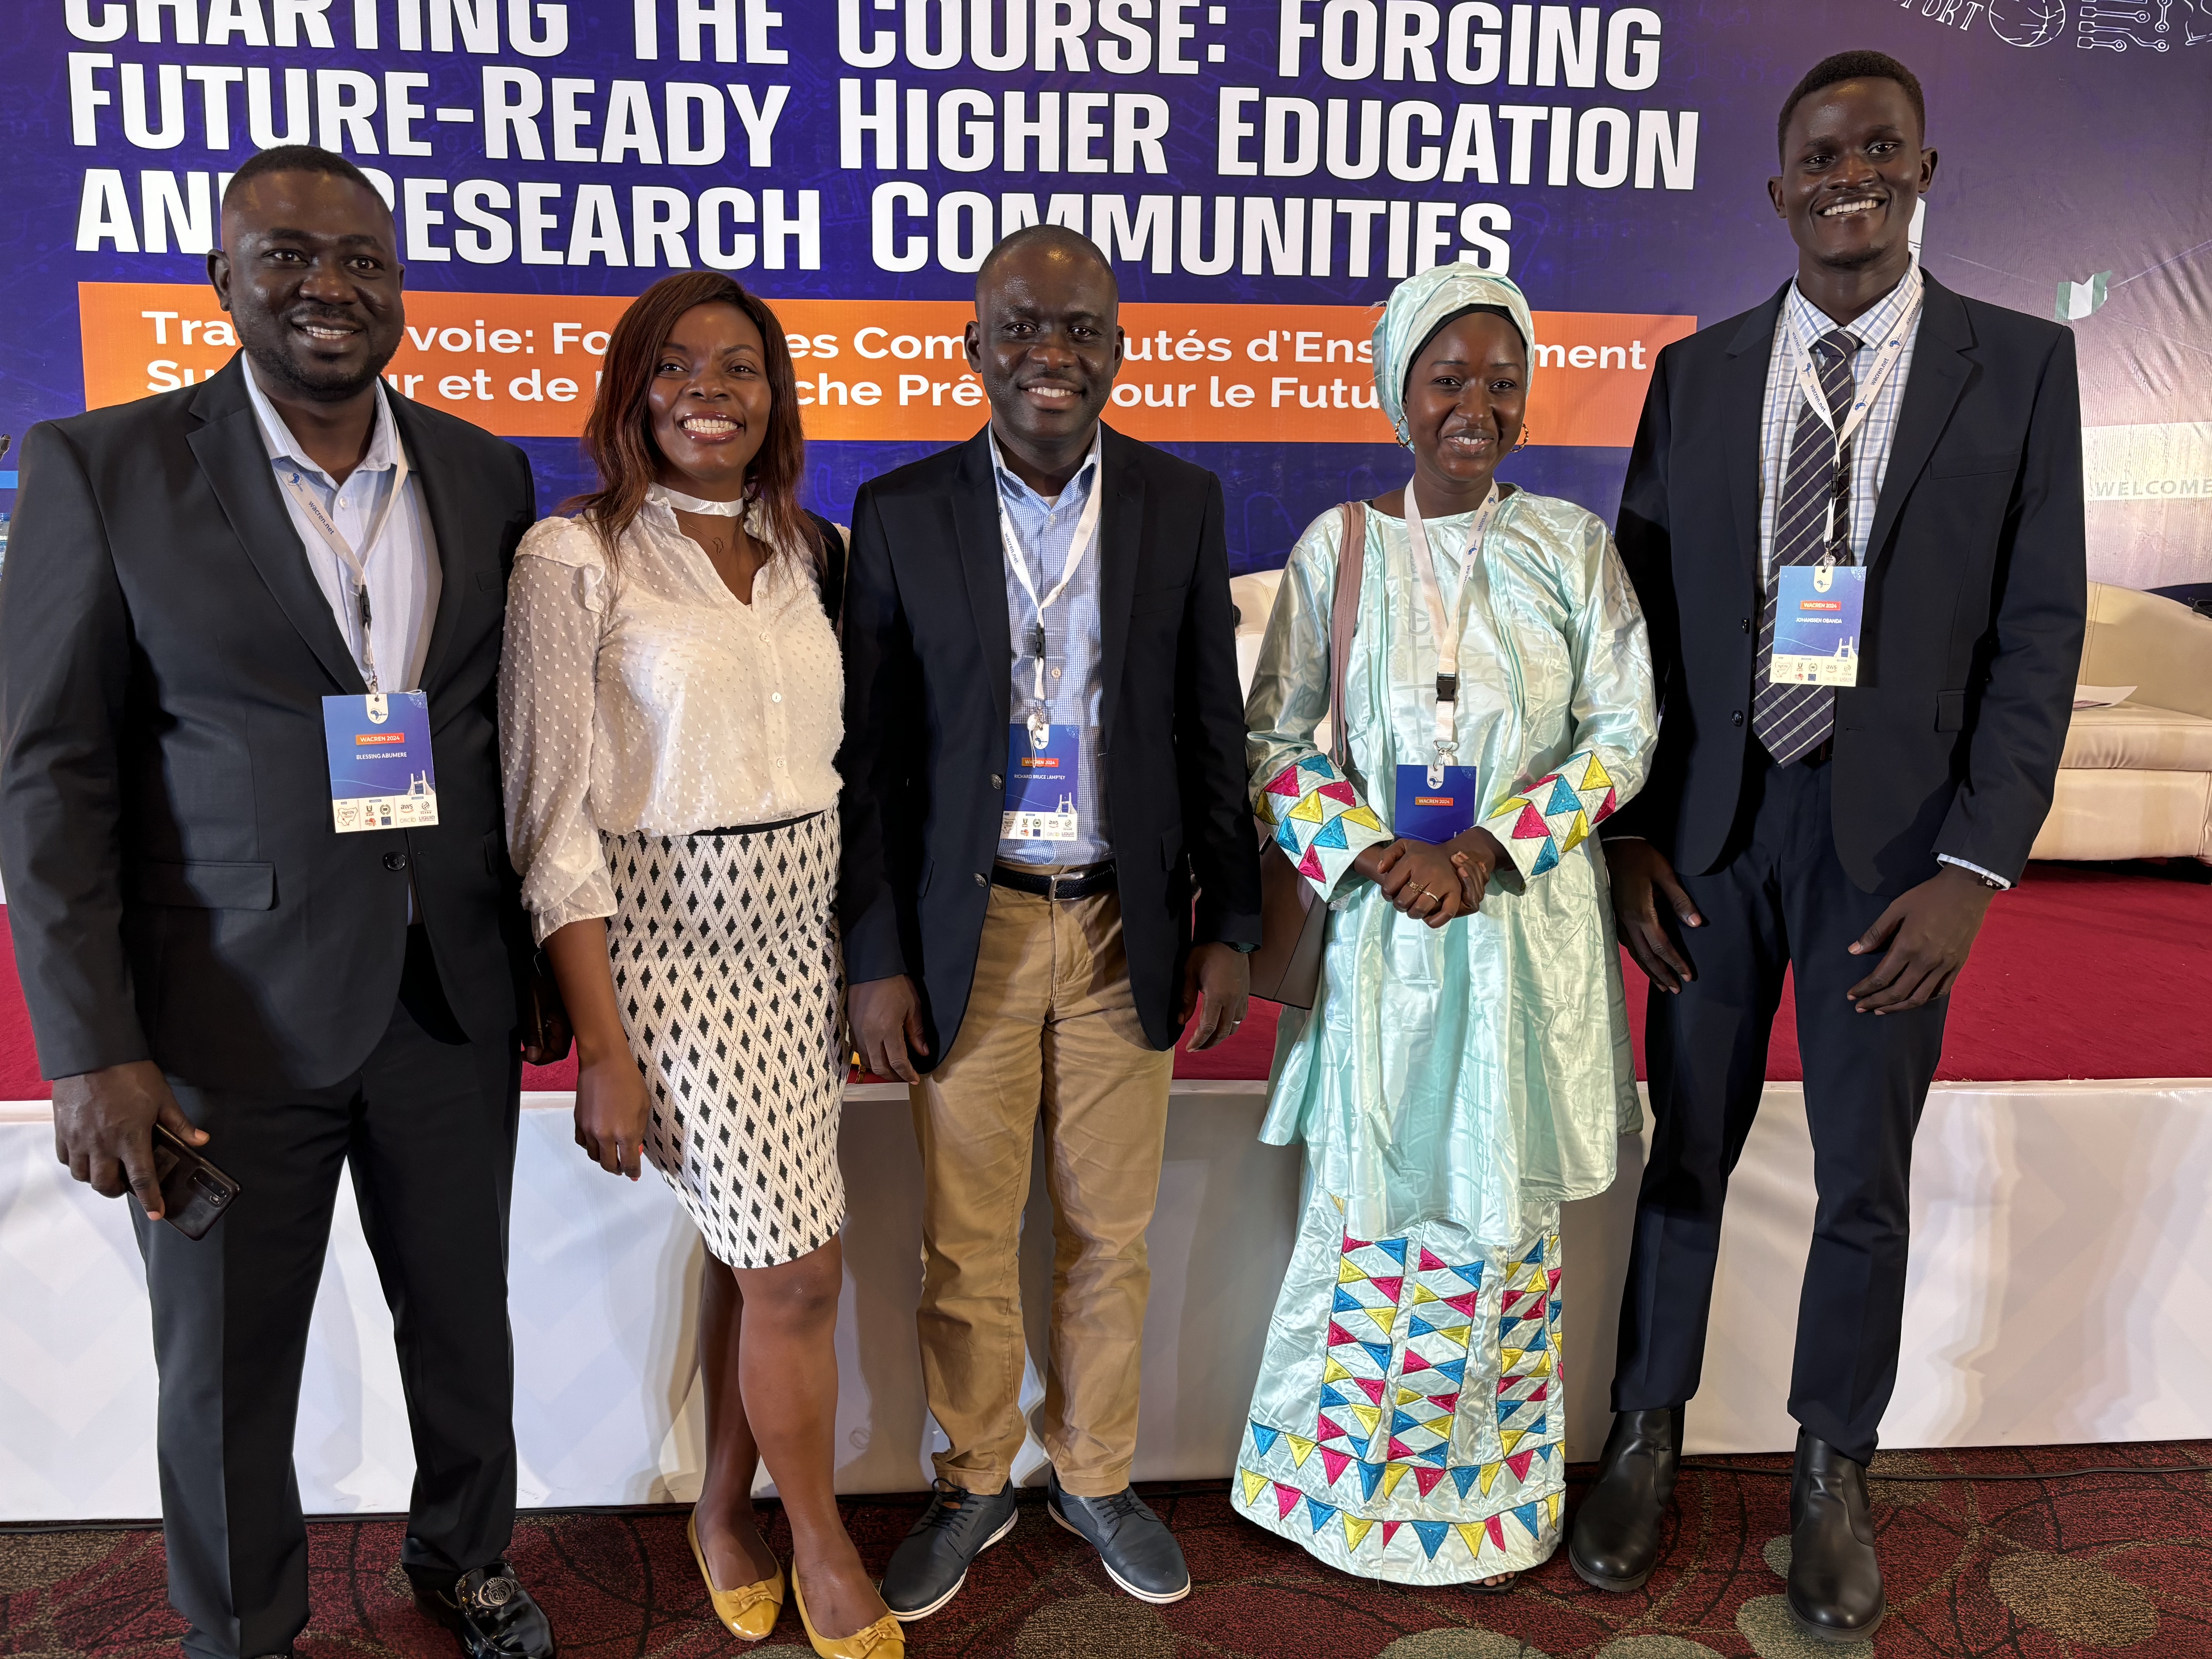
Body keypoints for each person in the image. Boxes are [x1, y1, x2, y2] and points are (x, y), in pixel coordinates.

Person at [0, 146, 561, 1659]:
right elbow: (50, 776)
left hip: (447, 994)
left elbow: (509, 730)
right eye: (289, 257)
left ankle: (466, 1557)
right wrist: (87, 1045)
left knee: (465, 1322)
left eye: (363, 260)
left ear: (400, 284)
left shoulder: (482, 469)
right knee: (228, 1357)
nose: (330, 287)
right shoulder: (101, 467)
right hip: (214, 1022)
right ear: (224, 279)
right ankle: (239, 1623)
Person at [1568, 52, 2086, 1643]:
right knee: (1690, 1152)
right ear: (1778, 187)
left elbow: (2038, 634)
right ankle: (1645, 1433)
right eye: (1818, 153)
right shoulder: (1702, 374)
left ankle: (1829, 1469)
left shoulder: (2023, 368)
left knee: (1865, 1176)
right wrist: (1638, 837)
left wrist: (1978, 870)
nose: (1848, 171)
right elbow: (1642, 626)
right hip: (1717, 838)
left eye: (1878, 146)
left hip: (1898, 857)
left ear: (1923, 165)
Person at [837, 225, 1262, 1618]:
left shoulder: (1177, 503)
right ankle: (973, 1480)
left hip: (1124, 926)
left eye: (1080, 328)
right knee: (963, 1238)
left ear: (1118, 346)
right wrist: (880, 953)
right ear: (975, 346)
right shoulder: (898, 513)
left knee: (1109, 1231)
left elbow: (1213, 728)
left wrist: (1229, 921)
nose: (1051, 355)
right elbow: (874, 761)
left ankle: (1093, 1469)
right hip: (976, 931)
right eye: (1021, 326)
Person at [1233, 266, 1657, 1587]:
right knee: (1373, 1207)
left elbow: (1625, 731)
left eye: (1501, 380)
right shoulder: (1337, 548)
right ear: (1398, 395)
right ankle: (1342, 1494)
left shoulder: (1576, 547)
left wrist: (1491, 846)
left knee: (1496, 1215)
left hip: (1518, 938)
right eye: (1448, 379)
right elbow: (1273, 736)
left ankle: (1489, 1500)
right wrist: (1369, 848)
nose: (1476, 406)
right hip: (1381, 939)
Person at [498, 271, 899, 1659]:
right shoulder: (576, 557)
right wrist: (601, 1041)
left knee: (756, 1257)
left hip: (798, 942)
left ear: (777, 393)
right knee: (798, 1269)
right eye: (678, 367)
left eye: (741, 366)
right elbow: (551, 814)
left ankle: (723, 1508)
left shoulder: (813, 550)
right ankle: (824, 1540)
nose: (711, 390)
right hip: (666, 944)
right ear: (634, 391)